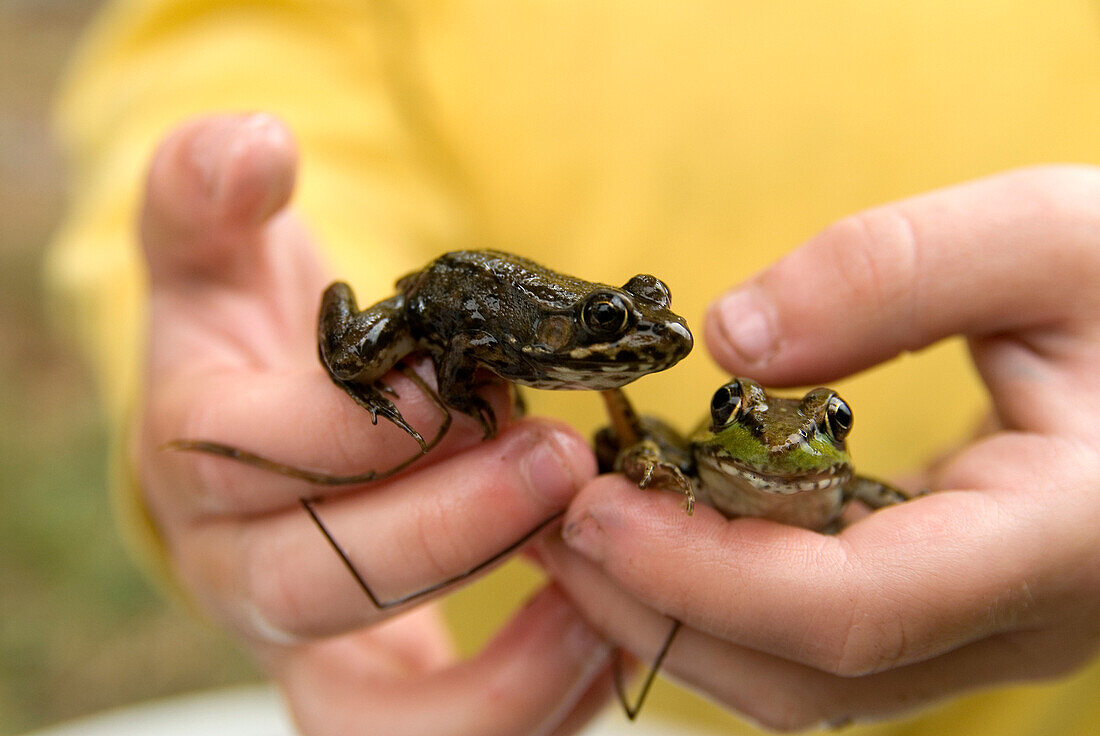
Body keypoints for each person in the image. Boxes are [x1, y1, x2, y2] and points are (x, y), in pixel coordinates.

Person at [48, 1, 1100, 734]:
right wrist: (280, 272)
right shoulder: (536, 342)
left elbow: (611, 387)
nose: (646, 344)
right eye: (620, 323)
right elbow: (263, 40)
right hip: (497, 609)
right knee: (371, 362)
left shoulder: (588, 357)